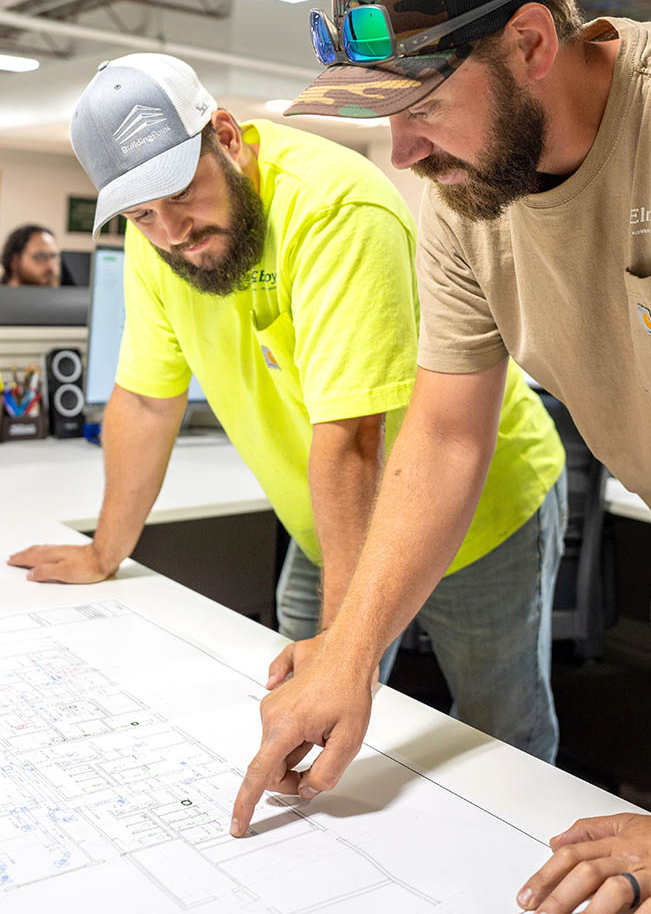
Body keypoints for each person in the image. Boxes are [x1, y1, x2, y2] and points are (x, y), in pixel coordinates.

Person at [230, 0, 651, 912]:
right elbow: (446, 436)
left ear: (529, 42)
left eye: (418, 107)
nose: (401, 156)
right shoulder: (467, 183)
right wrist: (347, 657)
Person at [8, 51, 567, 769]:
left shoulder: (334, 210)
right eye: (144, 212)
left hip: (472, 510)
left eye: (181, 193)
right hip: (328, 513)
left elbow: (354, 438)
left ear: (228, 136)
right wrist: (103, 551)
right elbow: (147, 402)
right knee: (292, 713)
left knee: (497, 731)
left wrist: (344, 653)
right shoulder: (159, 243)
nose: (172, 230)